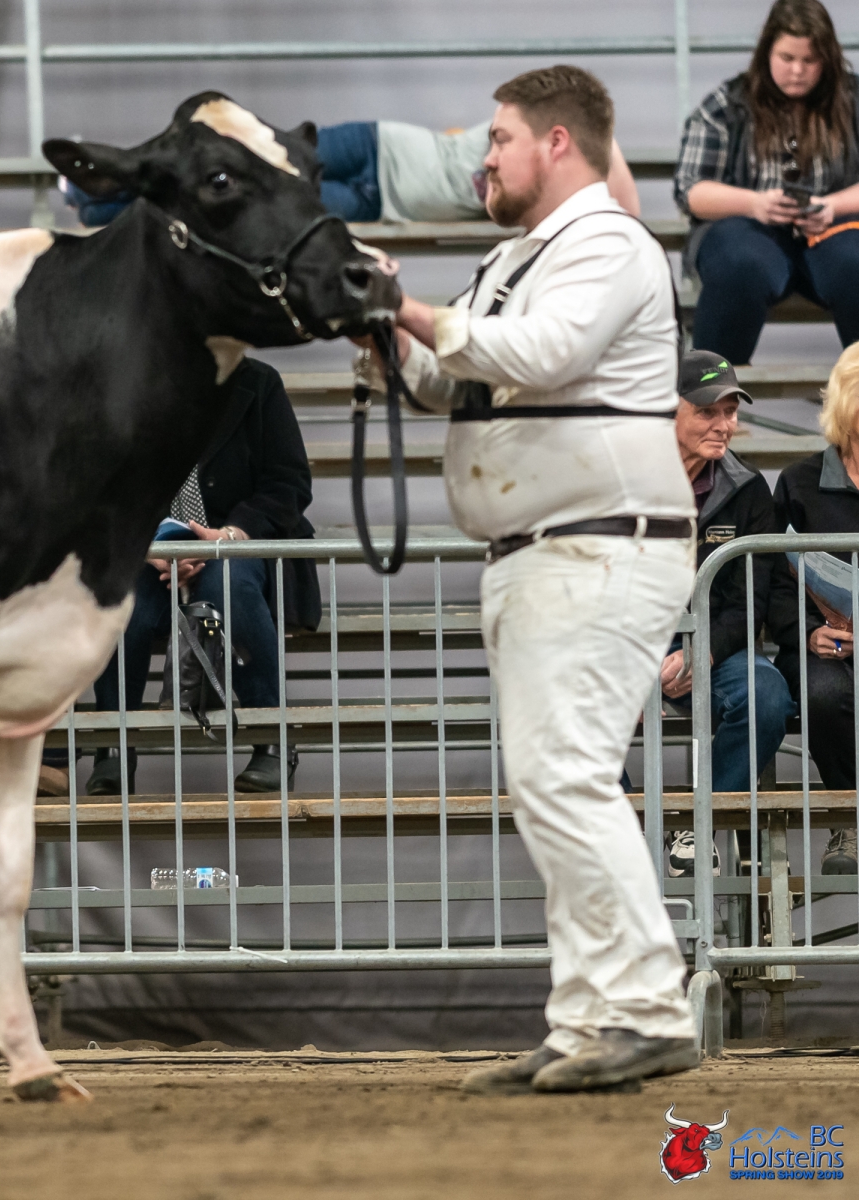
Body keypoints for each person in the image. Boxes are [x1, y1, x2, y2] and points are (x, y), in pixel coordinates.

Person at [359, 66, 701, 1093]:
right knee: (549, 784)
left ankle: (646, 1009)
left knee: (567, 777)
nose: (485, 158)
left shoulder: (609, 243)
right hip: (540, 551)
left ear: (557, 141)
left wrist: (412, 308)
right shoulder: (516, 255)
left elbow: (545, 353)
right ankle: (586, 1018)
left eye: (499, 137)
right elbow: (445, 376)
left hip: (600, 543)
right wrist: (381, 328)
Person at [85, 358, 318, 796]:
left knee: (225, 584)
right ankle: (112, 749)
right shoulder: (125, 382)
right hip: (150, 551)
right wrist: (149, 544)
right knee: (119, 599)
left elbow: (289, 484)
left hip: (238, 543)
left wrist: (227, 536)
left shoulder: (258, 382)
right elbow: (103, 489)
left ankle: (272, 741)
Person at [656, 352, 794, 879]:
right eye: (707, 411)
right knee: (566, 700)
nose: (724, 425)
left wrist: (703, 653)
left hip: (714, 645)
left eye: (731, 411)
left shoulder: (749, 489)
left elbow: (749, 599)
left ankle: (698, 823)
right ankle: (618, 838)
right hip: (627, 643)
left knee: (767, 695)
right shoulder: (621, 482)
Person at [675, 0, 859, 364]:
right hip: (749, 230)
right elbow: (691, 190)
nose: (797, 71)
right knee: (739, 266)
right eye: (787, 58)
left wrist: (832, 206)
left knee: (855, 264)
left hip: (835, 230)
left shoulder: (851, 100)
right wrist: (755, 203)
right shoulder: (728, 104)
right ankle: (710, 392)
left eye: (810, 60)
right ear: (766, 52)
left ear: (828, 59)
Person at [767, 342, 859, 876]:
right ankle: (849, 819)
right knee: (823, 692)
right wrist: (806, 632)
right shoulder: (800, 482)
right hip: (824, 641)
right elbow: (776, 581)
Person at [317, 118, 640, 222]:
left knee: (289, 205)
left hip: (378, 203)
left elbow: (627, 217)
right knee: (283, 158)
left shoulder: (535, 198)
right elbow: (596, 134)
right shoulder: (521, 124)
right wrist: (603, 142)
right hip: (375, 145)